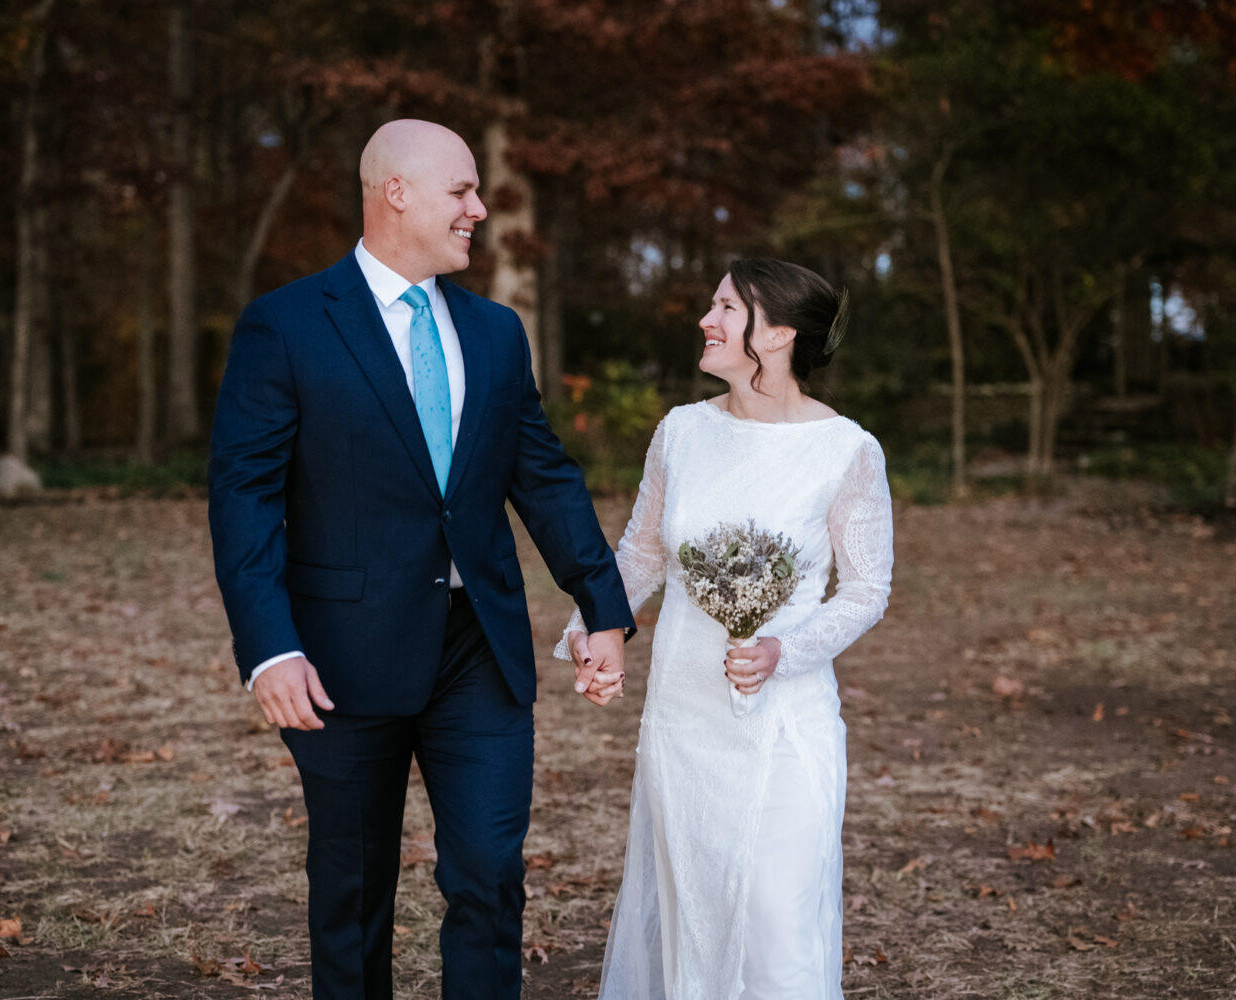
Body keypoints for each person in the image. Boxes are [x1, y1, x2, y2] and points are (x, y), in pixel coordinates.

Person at [208, 119, 633, 1000]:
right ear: (395, 192)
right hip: (340, 660)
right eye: (462, 191)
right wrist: (268, 647)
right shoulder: (285, 325)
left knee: (487, 876)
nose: (479, 209)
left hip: (479, 650)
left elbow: (543, 475)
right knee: (353, 896)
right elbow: (243, 496)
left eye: (477, 192)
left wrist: (604, 606)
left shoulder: (495, 332)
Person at [558, 259, 894, 999]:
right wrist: (594, 628)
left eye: (724, 309)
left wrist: (785, 649)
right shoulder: (681, 432)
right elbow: (642, 553)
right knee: (698, 916)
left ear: (776, 334)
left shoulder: (846, 450)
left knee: (776, 921)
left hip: (784, 717)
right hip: (684, 716)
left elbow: (867, 589)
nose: (705, 321)